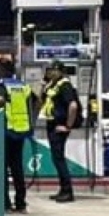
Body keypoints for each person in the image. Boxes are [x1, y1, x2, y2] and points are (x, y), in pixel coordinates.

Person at [0, 59, 37, 213]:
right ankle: (20, 202)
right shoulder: (23, 85)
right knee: (17, 168)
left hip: (6, 130)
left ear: (1, 70)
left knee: (2, 168)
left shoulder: (1, 85)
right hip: (21, 130)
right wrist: (31, 122)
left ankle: (4, 203)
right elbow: (36, 101)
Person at [42, 60, 80, 203]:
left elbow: (73, 106)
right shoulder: (53, 85)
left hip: (59, 126)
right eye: (49, 70)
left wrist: (67, 126)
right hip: (52, 124)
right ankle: (63, 189)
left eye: (53, 70)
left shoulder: (65, 85)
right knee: (56, 158)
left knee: (59, 159)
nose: (50, 72)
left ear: (60, 71)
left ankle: (67, 191)